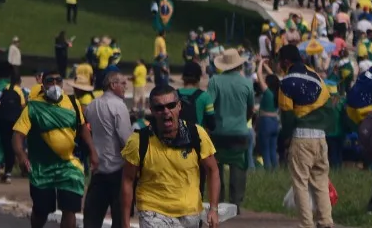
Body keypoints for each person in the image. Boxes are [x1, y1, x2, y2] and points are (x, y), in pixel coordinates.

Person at [120, 84, 221, 228]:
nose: (166, 111)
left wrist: (213, 209)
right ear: (152, 111)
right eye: (159, 108)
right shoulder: (139, 141)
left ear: (179, 106)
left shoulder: (196, 135)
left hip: (190, 213)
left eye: (171, 105)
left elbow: (213, 170)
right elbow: (128, 180)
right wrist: (125, 222)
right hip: (153, 212)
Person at [13, 70, 98, 228]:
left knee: (70, 208)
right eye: (50, 81)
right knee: (41, 210)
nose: (54, 85)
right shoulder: (33, 108)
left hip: (69, 166)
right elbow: (18, 136)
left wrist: (93, 151)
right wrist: (21, 156)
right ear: (43, 85)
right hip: (41, 168)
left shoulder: (73, 103)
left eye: (58, 81)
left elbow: (83, 128)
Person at [276, 44, 334, 228]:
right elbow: (328, 107)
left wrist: (286, 138)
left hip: (301, 137)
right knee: (320, 181)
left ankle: (306, 224)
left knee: (300, 183)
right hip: (321, 137)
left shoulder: (286, 82)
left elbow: (286, 115)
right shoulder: (317, 77)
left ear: (286, 61)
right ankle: (325, 221)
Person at [207, 48, 255, 210]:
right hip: (240, 132)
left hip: (219, 132)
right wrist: (243, 120)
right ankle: (236, 202)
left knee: (216, 167)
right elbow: (251, 110)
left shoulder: (215, 81)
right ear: (239, 65)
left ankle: (218, 201)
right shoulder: (247, 83)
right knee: (239, 166)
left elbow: (209, 106)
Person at [83, 72, 132, 228]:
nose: (126, 87)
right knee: (119, 219)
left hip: (98, 169)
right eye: (123, 83)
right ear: (113, 85)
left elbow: (84, 128)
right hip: (118, 170)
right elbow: (127, 140)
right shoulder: (119, 106)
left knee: (92, 219)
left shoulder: (92, 105)